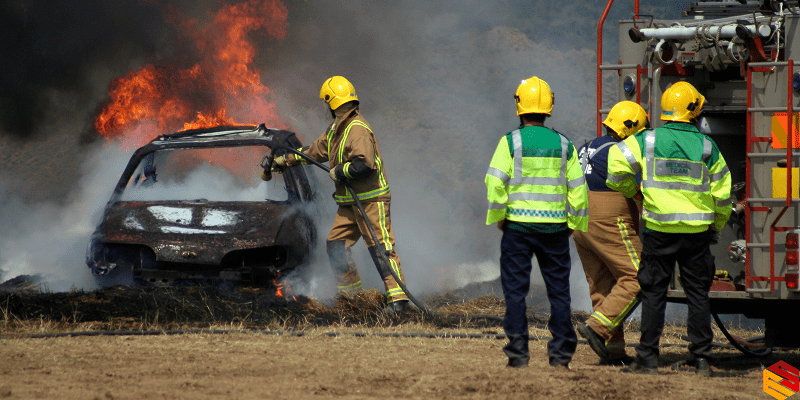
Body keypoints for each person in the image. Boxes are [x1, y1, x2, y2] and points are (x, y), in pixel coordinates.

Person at [606, 81, 731, 376]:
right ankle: (701, 359)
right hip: (697, 233)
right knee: (698, 295)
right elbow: (723, 195)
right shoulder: (705, 145)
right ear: (693, 111)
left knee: (653, 293)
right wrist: (716, 225)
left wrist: (634, 191)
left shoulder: (647, 140)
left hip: (658, 230)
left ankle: (647, 359)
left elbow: (614, 168)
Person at [268, 76, 410, 314]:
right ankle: (352, 297)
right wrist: (287, 160)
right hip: (349, 205)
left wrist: (340, 170)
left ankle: (399, 301)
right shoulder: (337, 129)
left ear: (332, 102)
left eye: (327, 102)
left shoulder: (357, 130)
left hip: (371, 201)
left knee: (381, 248)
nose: (326, 108)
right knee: (335, 245)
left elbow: (364, 165)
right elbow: (315, 151)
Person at [484, 76, 589, 369]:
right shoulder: (564, 144)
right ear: (549, 106)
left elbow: (494, 182)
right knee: (559, 292)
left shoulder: (510, 142)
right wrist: (572, 224)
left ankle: (518, 354)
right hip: (555, 229)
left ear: (519, 105)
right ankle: (560, 357)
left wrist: (500, 217)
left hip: (517, 228)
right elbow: (579, 190)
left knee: (516, 292)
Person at [574, 101, 648, 366]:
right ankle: (596, 328)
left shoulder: (587, 147)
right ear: (632, 129)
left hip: (580, 219)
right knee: (641, 275)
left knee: (603, 284)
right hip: (608, 215)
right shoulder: (622, 149)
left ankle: (613, 350)